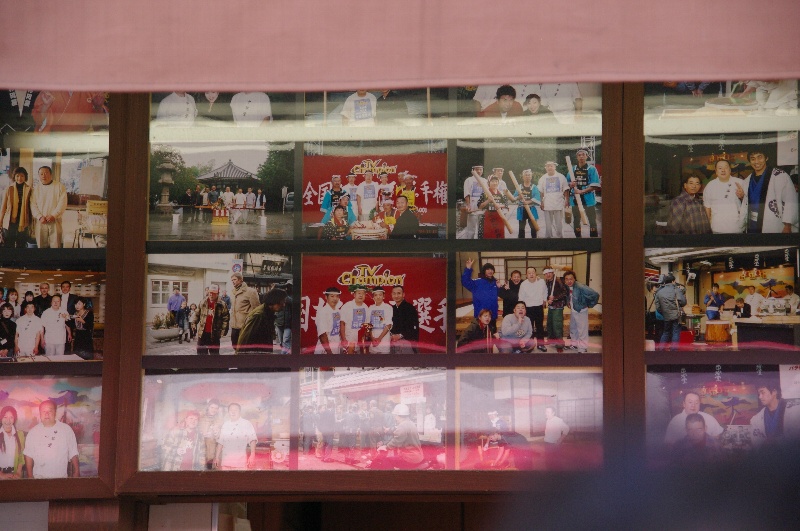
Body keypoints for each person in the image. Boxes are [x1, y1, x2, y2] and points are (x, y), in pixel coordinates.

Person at [741, 149, 798, 233]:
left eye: (759, 157)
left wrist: (787, 225)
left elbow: (790, 200)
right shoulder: (748, 180)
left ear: (766, 158)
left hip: (772, 223)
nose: (756, 161)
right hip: (752, 223)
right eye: (753, 159)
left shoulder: (780, 176)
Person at [24, 400, 80, 478]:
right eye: (44, 411)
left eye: (50, 411)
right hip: (39, 479)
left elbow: (73, 452)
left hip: (61, 479)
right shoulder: (33, 432)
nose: (46, 414)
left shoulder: (66, 430)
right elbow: (28, 455)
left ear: (55, 412)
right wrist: (30, 476)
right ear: (40, 413)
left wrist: (76, 472)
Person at [370, 404, 424, 470]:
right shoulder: (411, 423)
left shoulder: (402, 426)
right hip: (418, 456)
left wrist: (385, 447)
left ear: (398, 416)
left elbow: (396, 441)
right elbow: (400, 435)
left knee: (386, 460)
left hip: (410, 458)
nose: (395, 418)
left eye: (395, 416)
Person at [237, 288, 288, 354]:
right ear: (274, 301)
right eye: (282, 302)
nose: (284, 305)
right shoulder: (259, 315)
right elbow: (245, 338)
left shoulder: (268, 312)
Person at [703, 159, 747, 233]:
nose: (723, 170)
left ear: (730, 170)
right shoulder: (710, 186)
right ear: (716, 171)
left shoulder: (740, 182)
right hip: (717, 228)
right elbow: (707, 207)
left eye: (726, 167)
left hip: (737, 228)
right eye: (720, 168)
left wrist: (742, 197)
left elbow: (749, 203)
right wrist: (707, 227)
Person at [750, 383, 800, 447]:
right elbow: (757, 444)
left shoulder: (795, 411)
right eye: (759, 394)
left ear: (774, 392)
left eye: (762, 393)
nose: (760, 397)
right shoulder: (756, 419)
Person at [566, 148, 601, 238]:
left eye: (583, 155)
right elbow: (566, 184)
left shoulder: (591, 169)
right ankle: (578, 239)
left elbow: (595, 185)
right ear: (577, 157)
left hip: (588, 200)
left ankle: (593, 240)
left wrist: (582, 191)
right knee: (576, 221)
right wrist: (570, 184)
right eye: (579, 155)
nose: (581, 156)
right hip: (575, 200)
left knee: (592, 221)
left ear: (587, 156)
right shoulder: (572, 169)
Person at [563, 270, 599, 353]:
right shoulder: (567, 287)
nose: (569, 281)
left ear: (574, 279)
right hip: (574, 310)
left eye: (571, 279)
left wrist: (589, 304)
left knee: (582, 330)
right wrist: (568, 302)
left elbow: (595, 294)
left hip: (581, 311)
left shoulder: (580, 287)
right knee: (573, 328)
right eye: (567, 279)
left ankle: (583, 348)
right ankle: (574, 344)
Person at [214, 403, 257, 470]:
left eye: (235, 410)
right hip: (226, 462)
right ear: (228, 412)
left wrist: (252, 455)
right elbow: (221, 442)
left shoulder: (246, 423)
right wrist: (216, 457)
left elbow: (252, 439)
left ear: (240, 411)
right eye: (231, 410)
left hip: (240, 463)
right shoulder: (225, 424)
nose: (233, 412)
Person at [0, 167, 33, 248]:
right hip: (10, 221)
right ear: (14, 177)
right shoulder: (9, 189)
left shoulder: (29, 189)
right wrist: (0, 222)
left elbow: (31, 207)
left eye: (22, 176)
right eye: (17, 176)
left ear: (25, 177)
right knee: (9, 243)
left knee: (21, 244)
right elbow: (3, 207)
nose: (19, 178)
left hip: (23, 220)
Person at [517, 267, 548, 352]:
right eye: (529, 273)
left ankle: (541, 344)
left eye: (533, 272)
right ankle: (529, 344)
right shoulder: (523, 284)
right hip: (528, 308)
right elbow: (521, 297)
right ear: (526, 275)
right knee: (529, 327)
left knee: (539, 326)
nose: (531, 274)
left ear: (536, 274)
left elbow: (545, 291)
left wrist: (544, 300)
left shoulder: (541, 282)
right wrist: (521, 310)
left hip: (539, 307)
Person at [654, 274, 687, 351]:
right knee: (676, 333)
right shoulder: (676, 290)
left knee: (666, 332)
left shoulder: (659, 292)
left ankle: (661, 350)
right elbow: (683, 303)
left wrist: (664, 313)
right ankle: (673, 351)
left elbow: (658, 307)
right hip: (676, 316)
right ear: (673, 281)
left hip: (666, 316)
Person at [537, 161, 570, 238]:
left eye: (551, 166)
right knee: (548, 224)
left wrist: (567, 200)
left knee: (559, 223)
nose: (549, 168)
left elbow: (566, 189)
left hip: (558, 204)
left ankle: (560, 237)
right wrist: (541, 202)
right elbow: (541, 192)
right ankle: (548, 238)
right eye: (548, 166)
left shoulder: (561, 177)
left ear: (554, 167)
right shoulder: (542, 178)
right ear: (545, 168)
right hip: (547, 204)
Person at [230, 272, 261, 351]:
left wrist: (251, 323)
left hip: (245, 325)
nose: (233, 281)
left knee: (244, 348)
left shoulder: (250, 291)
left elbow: (256, 309)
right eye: (232, 280)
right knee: (234, 346)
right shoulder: (232, 292)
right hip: (234, 325)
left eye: (235, 279)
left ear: (241, 280)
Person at [196, 284, 230, 355]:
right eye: (210, 293)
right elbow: (197, 314)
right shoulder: (203, 302)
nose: (211, 295)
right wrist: (193, 323)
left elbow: (226, 319)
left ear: (217, 294)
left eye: (214, 293)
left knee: (214, 354)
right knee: (201, 353)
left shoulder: (222, 304)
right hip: (203, 333)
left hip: (215, 333)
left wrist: (223, 331)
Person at [543, 268, 569, 352]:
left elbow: (564, 292)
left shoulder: (558, 281)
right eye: (546, 273)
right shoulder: (547, 282)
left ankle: (560, 343)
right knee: (550, 323)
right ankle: (551, 339)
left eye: (549, 273)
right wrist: (548, 299)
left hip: (558, 306)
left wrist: (555, 298)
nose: (548, 275)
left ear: (553, 273)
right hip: (551, 306)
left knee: (557, 324)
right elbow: (547, 293)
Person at [339, 286, 370, 354]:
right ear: (354, 295)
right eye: (359, 293)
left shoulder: (365, 307)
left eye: (363, 293)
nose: (361, 295)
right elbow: (342, 323)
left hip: (360, 343)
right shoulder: (347, 306)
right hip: (348, 341)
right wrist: (344, 340)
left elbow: (367, 325)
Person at [390, 286, 420, 354]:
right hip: (394, 342)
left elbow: (413, 326)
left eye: (399, 293)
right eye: (394, 293)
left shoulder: (410, 308)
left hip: (406, 341)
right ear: (391, 295)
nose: (396, 296)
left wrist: (400, 335)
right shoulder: (392, 308)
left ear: (403, 294)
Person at [314, 287, 343, 354]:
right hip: (325, 350)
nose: (335, 299)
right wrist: (329, 353)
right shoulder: (323, 312)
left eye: (337, 296)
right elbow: (322, 335)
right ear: (326, 297)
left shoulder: (338, 311)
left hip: (336, 348)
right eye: (332, 296)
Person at [0, 405, 26, 479]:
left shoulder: (20, 434)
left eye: (11, 417)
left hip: (15, 475)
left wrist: (18, 473)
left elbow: (21, 457)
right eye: (5, 417)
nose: (8, 421)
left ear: (14, 419)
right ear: (1, 418)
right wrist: (1, 475)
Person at [514, 169, 541, 238]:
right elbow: (514, 198)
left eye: (529, 175)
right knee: (521, 228)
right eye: (526, 175)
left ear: (531, 177)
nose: (527, 176)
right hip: (522, 209)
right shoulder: (519, 187)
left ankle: (534, 241)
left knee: (533, 227)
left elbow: (537, 197)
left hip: (531, 208)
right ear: (523, 177)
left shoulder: (534, 187)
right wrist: (518, 197)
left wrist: (529, 201)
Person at [366, 287, 393, 354]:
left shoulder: (388, 307)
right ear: (373, 297)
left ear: (384, 296)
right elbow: (368, 324)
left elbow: (388, 325)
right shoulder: (371, 308)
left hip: (384, 340)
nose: (378, 297)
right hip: (373, 341)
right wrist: (372, 338)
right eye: (376, 295)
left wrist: (379, 339)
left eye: (380, 295)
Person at [462, 165, 486, 239]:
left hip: (482, 208)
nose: (479, 171)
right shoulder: (469, 180)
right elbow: (467, 193)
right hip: (473, 207)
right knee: (471, 229)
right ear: (473, 170)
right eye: (477, 169)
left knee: (481, 229)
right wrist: (468, 205)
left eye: (480, 169)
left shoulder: (485, 181)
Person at [198, 399, 222, 470]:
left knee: (210, 465)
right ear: (208, 407)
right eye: (212, 407)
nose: (214, 410)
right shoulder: (201, 417)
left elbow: (220, 437)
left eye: (216, 408)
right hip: (200, 444)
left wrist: (217, 433)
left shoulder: (219, 420)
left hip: (212, 446)